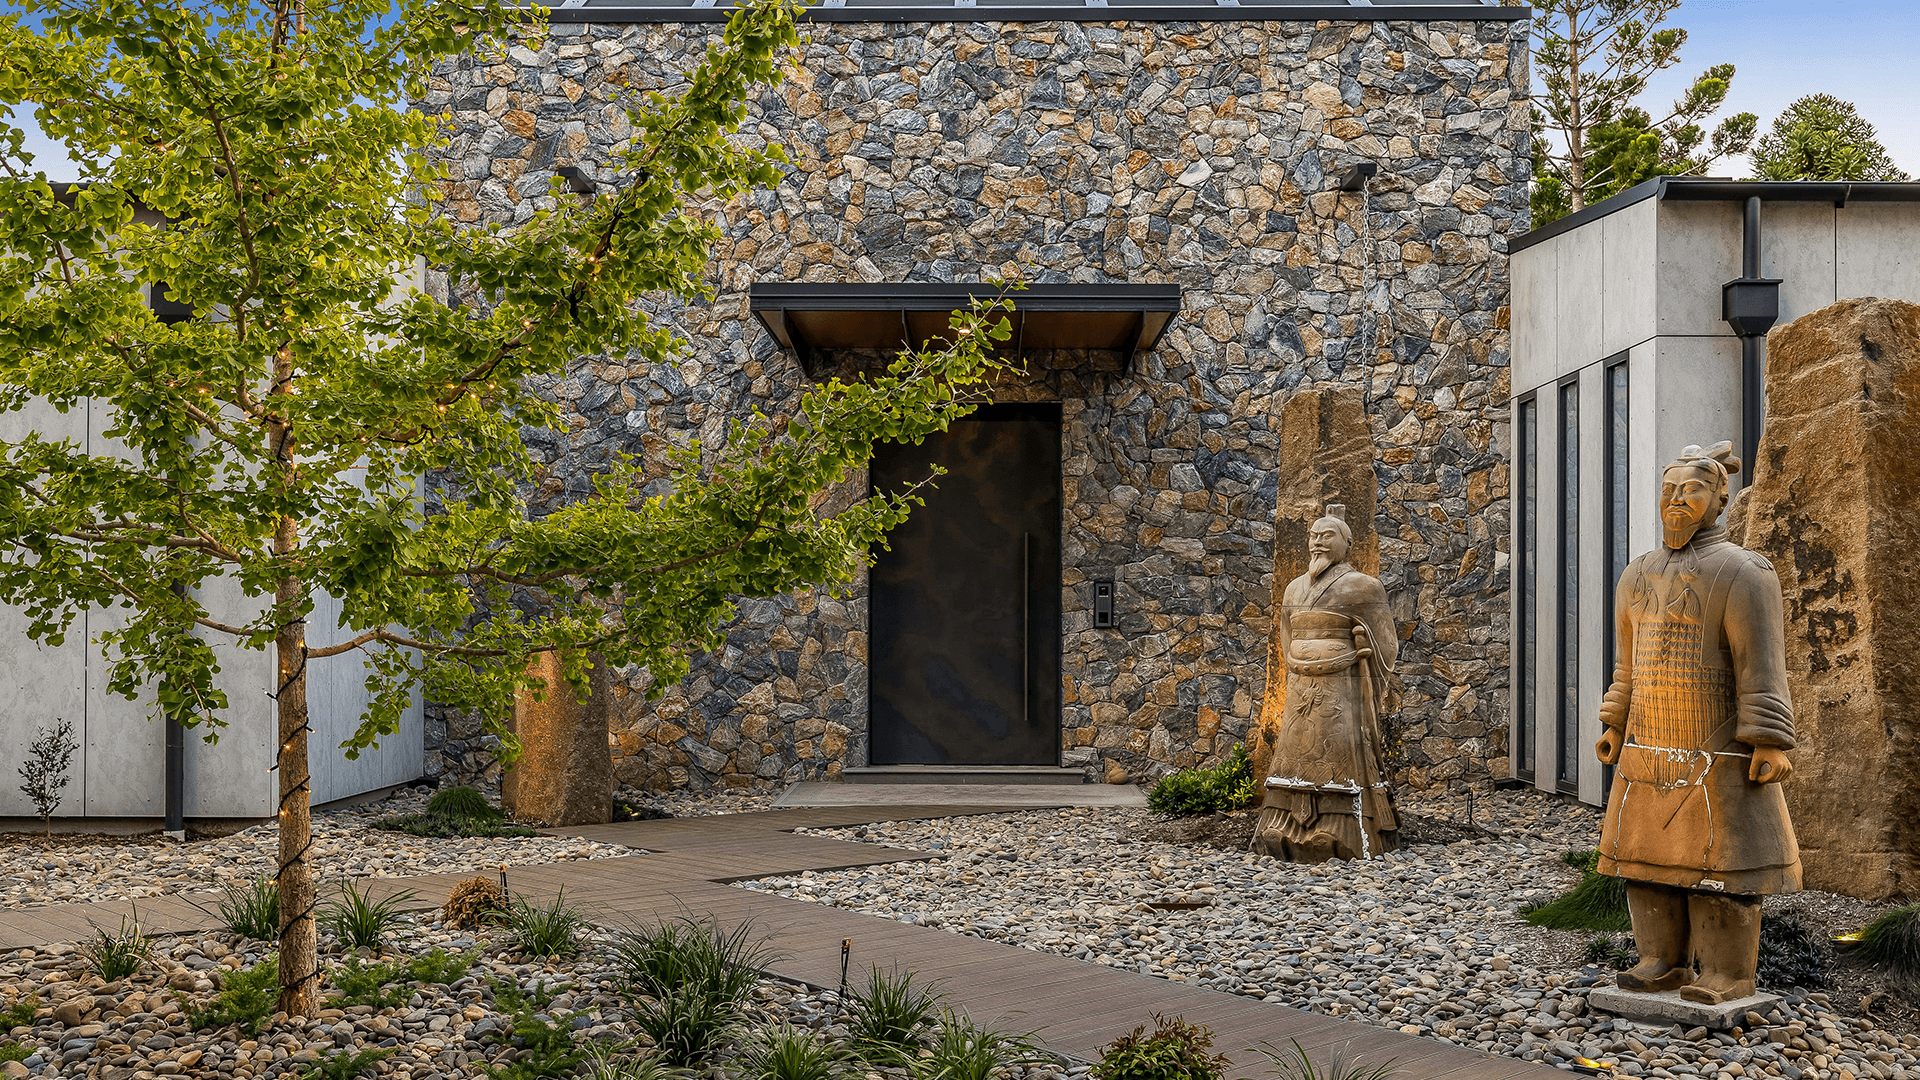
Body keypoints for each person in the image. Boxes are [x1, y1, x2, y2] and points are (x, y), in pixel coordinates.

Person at [1595, 441, 1800, 1005]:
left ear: (1719, 500)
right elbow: (1626, 665)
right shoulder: (1636, 575)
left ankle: (1728, 972)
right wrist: (1614, 722)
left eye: (1692, 490)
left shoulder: (1745, 572)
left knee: (1722, 868)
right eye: (1669, 490)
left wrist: (1768, 738)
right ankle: (1660, 960)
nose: (1677, 500)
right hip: (1649, 740)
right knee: (1644, 864)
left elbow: (1762, 664)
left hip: (1720, 745)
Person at [1253, 504, 1399, 862]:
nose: (1317, 542)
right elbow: (1286, 636)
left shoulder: (1364, 586)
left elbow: (1387, 643)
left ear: (1346, 543)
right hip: (1301, 688)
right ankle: (1283, 823)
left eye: (1326, 535)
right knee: (1293, 755)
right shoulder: (1293, 590)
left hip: (1342, 690)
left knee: (1337, 752)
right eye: (1313, 536)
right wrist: (1302, 662)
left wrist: (1360, 648)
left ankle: (1339, 830)